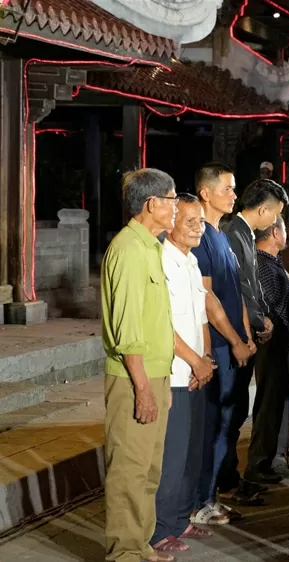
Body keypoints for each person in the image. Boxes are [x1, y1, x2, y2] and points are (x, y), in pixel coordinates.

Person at [101, 168, 178, 562]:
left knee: (148, 469)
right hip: (134, 377)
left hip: (154, 374)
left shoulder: (150, 246)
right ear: (153, 204)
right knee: (129, 470)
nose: (176, 207)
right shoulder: (128, 250)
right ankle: (124, 553)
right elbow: (127, 327)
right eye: (173, 199)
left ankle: (139, 544)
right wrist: (144, 388)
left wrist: (159, 384)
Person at [152, 194, 216, 555]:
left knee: (193, 454)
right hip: (176, 373)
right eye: (189, 220)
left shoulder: (191, 262)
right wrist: (194, 361)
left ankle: (180, 519)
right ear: (172, 221)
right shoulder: (163, 260)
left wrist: (205, 359)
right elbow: (162, 324)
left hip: (196, 371)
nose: (197, 228)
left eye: (201, 222)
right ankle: (159, 529)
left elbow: (201, 318)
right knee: (171, 459)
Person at [192, 163, 256, 525]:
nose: (234, 195)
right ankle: (201, 499)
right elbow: (207, 298)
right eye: (228, 189)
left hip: (234, 344)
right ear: (206, 192)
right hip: (217, 344)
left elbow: (237, 294)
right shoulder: (199, 236)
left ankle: (213, 494)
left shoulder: (222, 236)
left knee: (229, 422)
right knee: (214, 425)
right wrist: (233, 340)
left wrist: (245, 335)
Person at [226, 178, 289, 501]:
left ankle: (231, 480)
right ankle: (225, 483)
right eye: (275, 214)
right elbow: (239, 287)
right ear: (264, 210)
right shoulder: (233, 234)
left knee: (237, 412)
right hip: (238, 334)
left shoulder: (242, 234)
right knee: (230, 414)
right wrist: (258, 320)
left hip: (249, 330)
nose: (275, 223)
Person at [249, 217, 289, 483]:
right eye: (284, 229)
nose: (286, 233)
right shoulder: (262, 263)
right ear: (275, 232)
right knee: (269, 405)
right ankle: (259, 464)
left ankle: (269, 461)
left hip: (285, 344)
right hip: (274, 346)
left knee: (277, 403)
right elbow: (271, 306)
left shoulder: (271, 261)